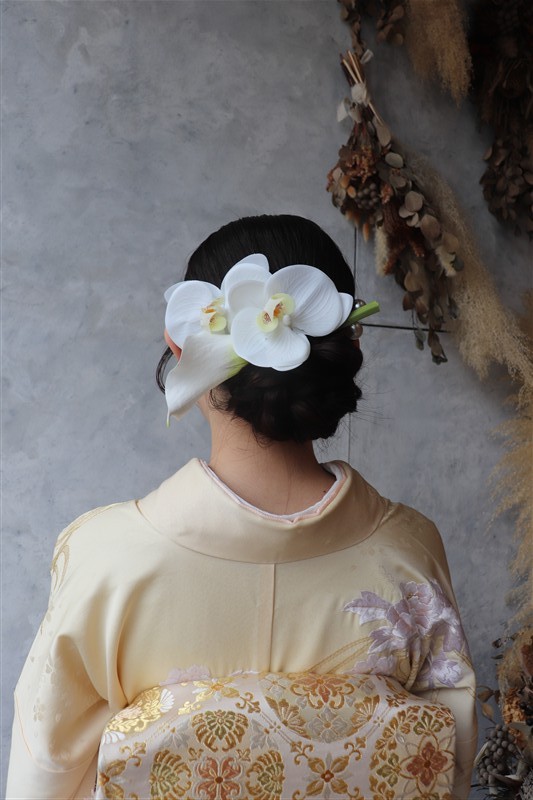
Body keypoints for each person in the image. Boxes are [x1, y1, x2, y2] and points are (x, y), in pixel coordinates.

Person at [6, 214, 476, 799]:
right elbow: (448, 765)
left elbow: (44, 775)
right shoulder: (409, 554)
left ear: (181, 347)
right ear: (347, 344)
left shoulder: (105, 561)